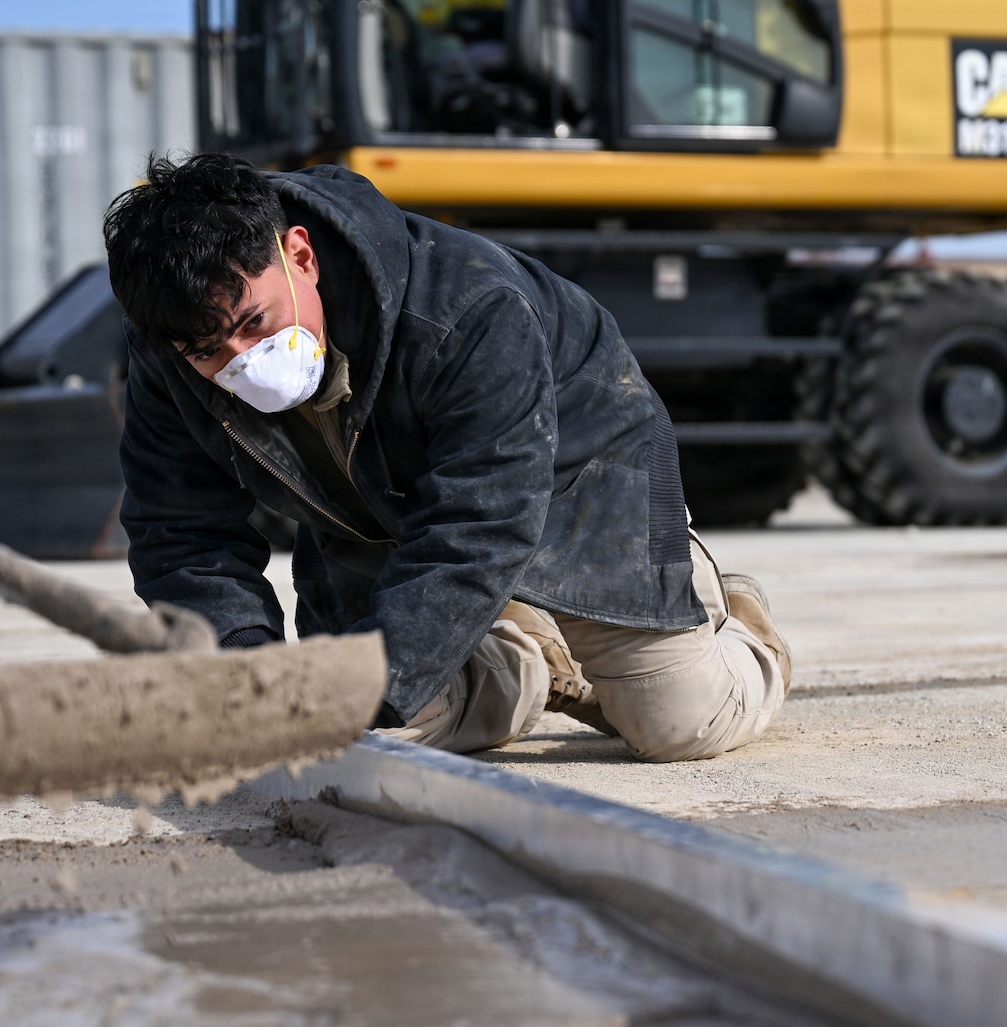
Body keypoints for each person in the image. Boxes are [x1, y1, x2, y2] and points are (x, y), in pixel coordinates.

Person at [101, 152, 788, 761]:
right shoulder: (170, 352)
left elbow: (482, 520)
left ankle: (737, 622)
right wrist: (245, 677)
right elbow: (179, 533)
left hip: (576, 491)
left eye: (254, 323)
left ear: (300, 256)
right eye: (207, 351)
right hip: (383, 523)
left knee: (678, 722)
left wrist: (361, 680)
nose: (241, 361)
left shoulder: (470, 306)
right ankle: (518, 656)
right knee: (343, 737)